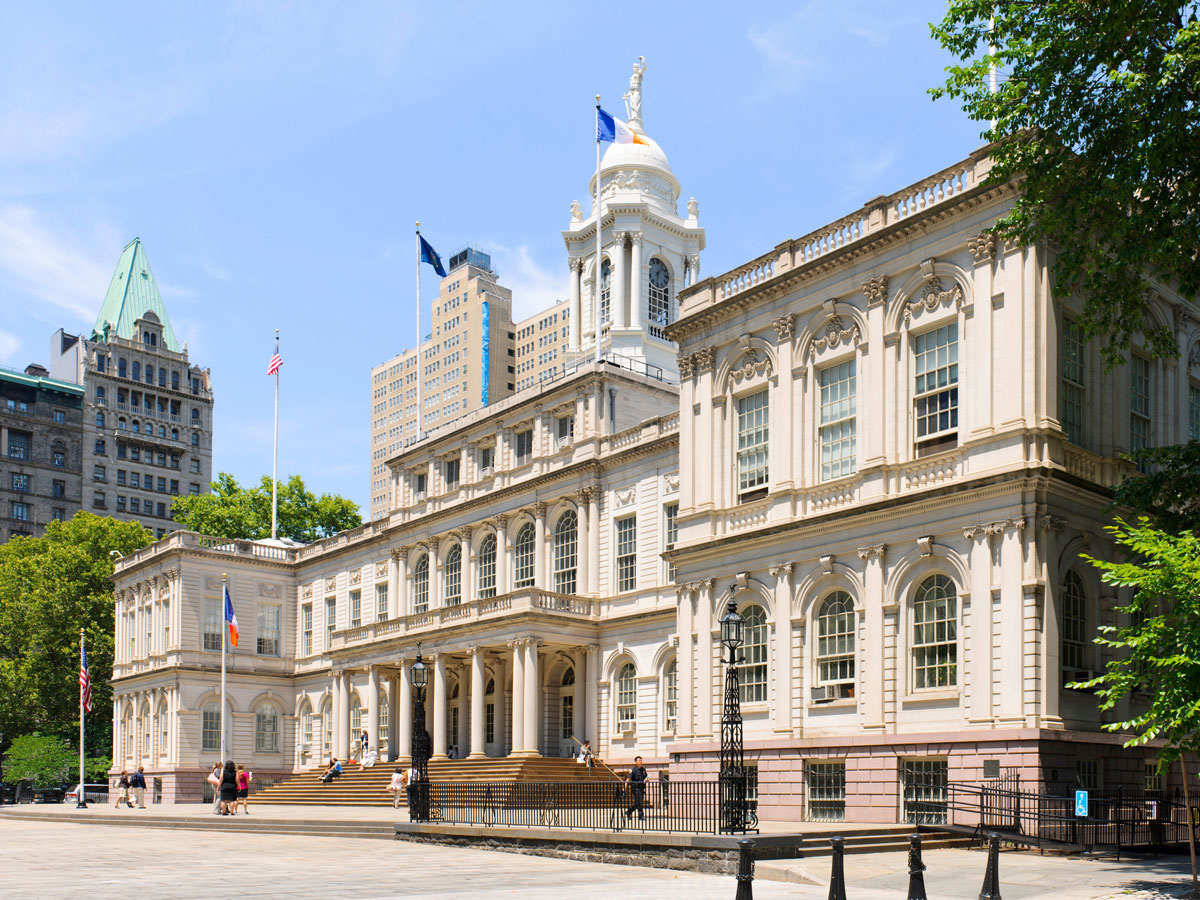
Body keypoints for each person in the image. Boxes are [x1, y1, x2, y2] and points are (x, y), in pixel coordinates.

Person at [625, 756, 648, 820]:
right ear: (636, 762)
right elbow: (628, 779)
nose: (641, 761)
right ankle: (641, 816)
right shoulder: (633, 770)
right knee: (639, 802)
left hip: (641, 788)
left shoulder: (643, 770)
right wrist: (625, 788)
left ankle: (628, 812)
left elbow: (645, 777)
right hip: (635, 788)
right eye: (639, 760)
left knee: (637, 802)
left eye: (641, 760)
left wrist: (646, 779)